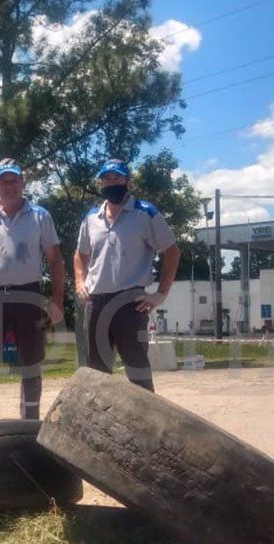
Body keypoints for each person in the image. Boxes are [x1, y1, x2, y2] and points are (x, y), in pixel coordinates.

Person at [0, 158, 65, 420]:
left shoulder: (40, 216)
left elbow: (55, 261)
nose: (9, 186)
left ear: (23, 183)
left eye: (14, 180)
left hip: (29, 295)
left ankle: (29, 427)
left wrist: (57, 301)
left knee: (31, 366)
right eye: (3, 181)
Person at [74, 159, 180, 392]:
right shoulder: (91, 217)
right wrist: (80, 282)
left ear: (127, 182)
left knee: (137, 369)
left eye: (117, 178)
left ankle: (146, 425)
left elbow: (172, 252)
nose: (111, 183)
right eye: (107, 178)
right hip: (96, 303)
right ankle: (96, 423)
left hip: (131, 303)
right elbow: (80, 254)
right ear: (101, 182)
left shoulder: (145, 213)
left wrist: (160, 294)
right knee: (96, 372)